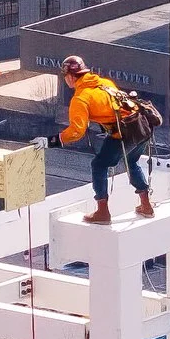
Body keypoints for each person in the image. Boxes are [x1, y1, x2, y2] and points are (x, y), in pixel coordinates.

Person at [57, 54, 158, 225]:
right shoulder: (105, 83)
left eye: (65, 76)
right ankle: (146, 206)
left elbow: (76, 132)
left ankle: (102, 212)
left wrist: (53, 140)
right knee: (131, 162)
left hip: (123, 134)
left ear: (71, 77)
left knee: (99, 165)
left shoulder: (81, 98)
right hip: (143, 127)